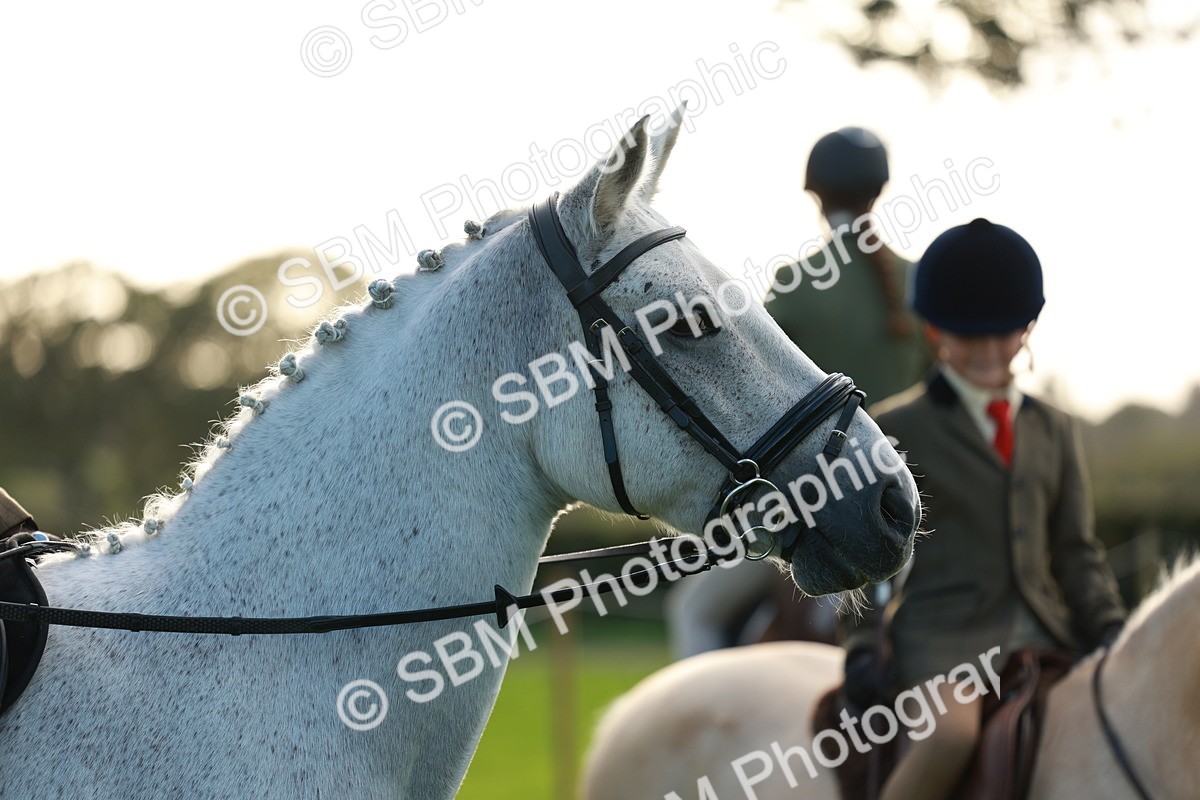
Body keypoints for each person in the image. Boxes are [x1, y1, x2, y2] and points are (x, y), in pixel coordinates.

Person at [844, 218, 1126, 800]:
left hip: (1049, 631)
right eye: (969, 337)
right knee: (949, 736)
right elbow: (863, 557)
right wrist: (860, 649)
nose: (989, 353)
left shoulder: (1055, 429)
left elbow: (1076, 552)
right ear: (934, 331)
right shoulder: (892, 430)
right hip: (945, 640)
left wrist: (1111, 630)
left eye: (1005, 335)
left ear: (1027, 329)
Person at [666, 127, 931, 658]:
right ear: (879, 191)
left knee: (692, 612)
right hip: (905, 503)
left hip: (809, 506)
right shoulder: (915, 281)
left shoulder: (795, 284)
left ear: (815, 194)